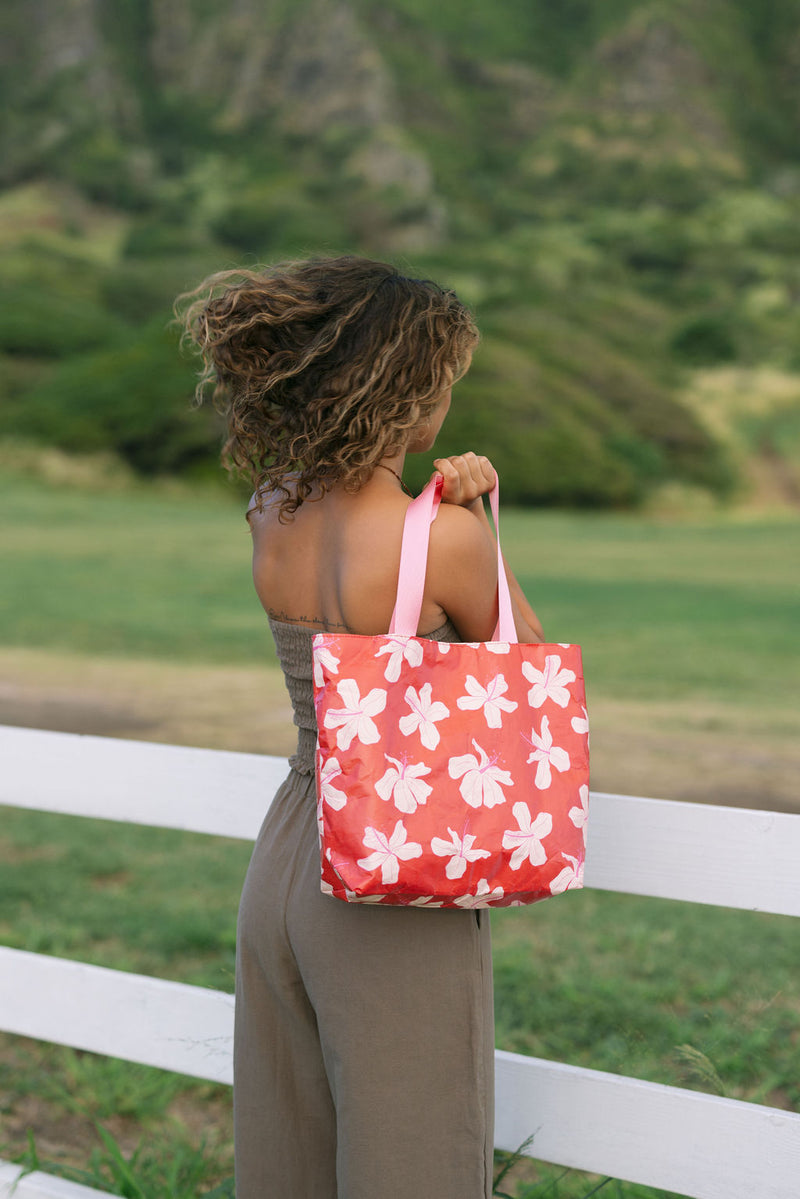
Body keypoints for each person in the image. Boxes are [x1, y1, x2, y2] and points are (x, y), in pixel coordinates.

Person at [178, 256, 543, 1199]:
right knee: (416, 1150)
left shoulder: (271, 510)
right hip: (389, 865)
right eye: (444, 389)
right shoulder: (443, 536)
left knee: (288, 1145)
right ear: (406, 394)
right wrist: (471, 518)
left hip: (292, 844)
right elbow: (530, 672)